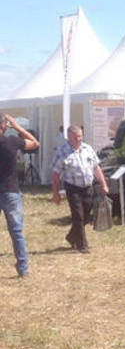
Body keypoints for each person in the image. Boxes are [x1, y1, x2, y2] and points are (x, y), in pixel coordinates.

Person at [51, 124, 109, 253]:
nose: (79, 139)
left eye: (81, 136)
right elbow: (55, 174)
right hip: (73, 188)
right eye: (77, 137)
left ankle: (72, 237)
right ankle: (82, 244)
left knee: (86, 216)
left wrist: (104, 184)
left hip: (88, 187)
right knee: (78, 216)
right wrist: (55, 193)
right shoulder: (62, 152)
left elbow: (96, 168)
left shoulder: (87, 149)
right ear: (70, 137)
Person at [0, 114, 39, 278]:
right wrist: (16, 126)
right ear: (3, 125)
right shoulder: (11, 141)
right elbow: (35, 143)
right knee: (16, 231)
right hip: (10, 190)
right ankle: (23, 268)